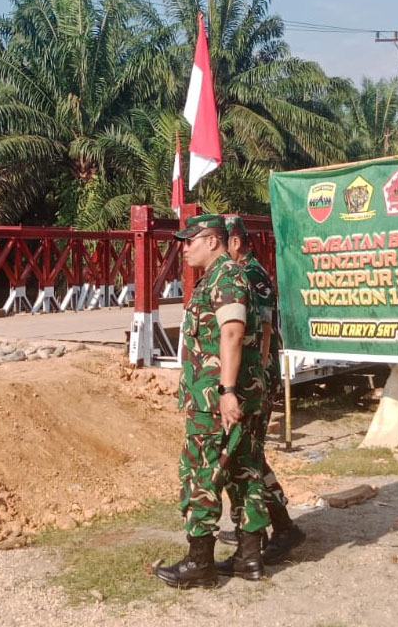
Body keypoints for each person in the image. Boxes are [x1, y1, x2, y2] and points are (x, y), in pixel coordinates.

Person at [155, 214, 270, 589]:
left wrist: (226, 391)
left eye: (191, 241)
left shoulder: (225, 278)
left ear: (213, 241)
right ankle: (248, 557)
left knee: (201, 474)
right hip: (232, 395)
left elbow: (233, 334)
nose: (184, 248)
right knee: (244, 471)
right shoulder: (224, 276)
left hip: (215, 400)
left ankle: (199, 562)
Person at [217, 215, 306, 564]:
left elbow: (265, 331)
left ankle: (281, 527)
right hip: (250, 379)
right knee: (247, 457)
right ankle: (254, 527)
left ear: (235, 243)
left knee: (249, 457)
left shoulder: (252, 275)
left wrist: (255, 380)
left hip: (255, 380)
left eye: (222, 241)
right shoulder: (236, 274)